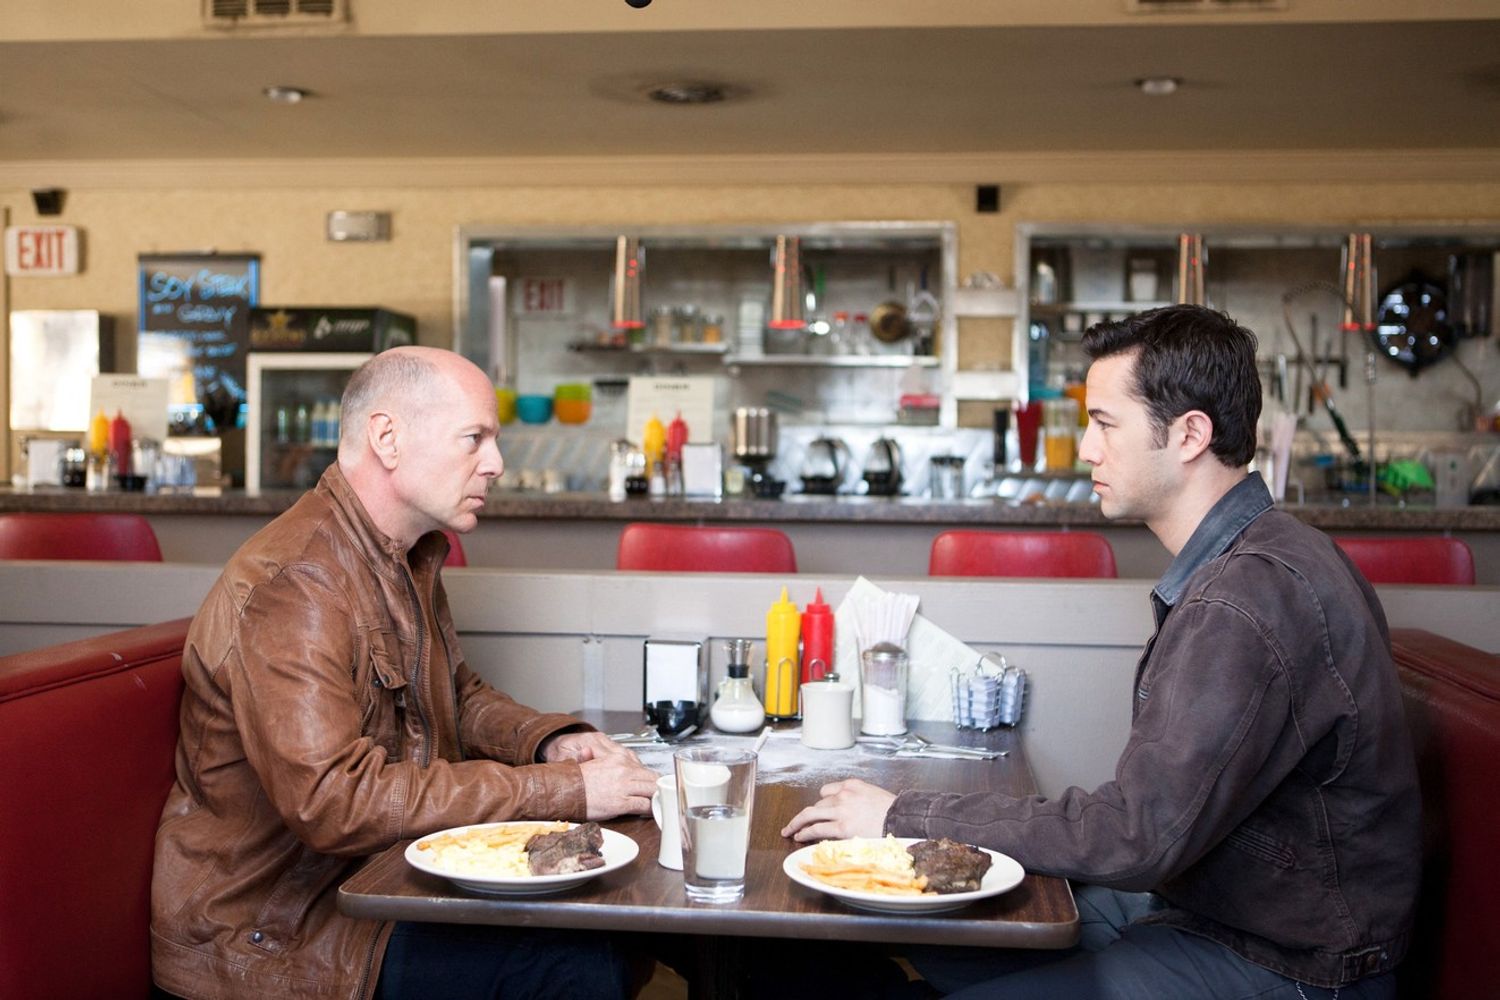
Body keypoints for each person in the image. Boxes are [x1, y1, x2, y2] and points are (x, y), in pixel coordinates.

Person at [782, 305, 1422, 999]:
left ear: (1189, 434)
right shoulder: (1264, 555)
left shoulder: (1246, 599)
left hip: (1286, 963)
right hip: (1204, 909)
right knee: (898, 937)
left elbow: (1135, 834)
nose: (1087, 449)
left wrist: (901, 816)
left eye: (1105, 424)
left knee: (901, 932)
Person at [151, 346, 661, 1000]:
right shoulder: (297, 584)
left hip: (375, 881)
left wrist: (550, 742)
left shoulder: (401, 553)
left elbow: (457, 695)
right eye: (474, 438)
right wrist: (567, 790)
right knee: (572, 961)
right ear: (387, 438)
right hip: (276, 932)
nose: (497, 463)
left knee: (614, 900)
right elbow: (334, 802)